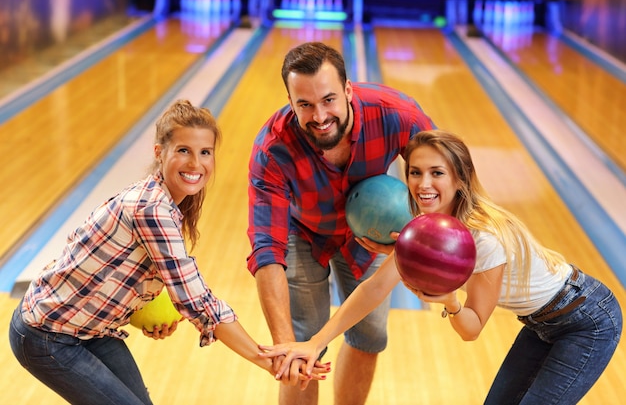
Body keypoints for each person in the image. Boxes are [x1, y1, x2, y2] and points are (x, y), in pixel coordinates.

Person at [260, 129, 623, 404]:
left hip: (585, 320)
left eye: (437, 173)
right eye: (415, 173)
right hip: (541, 323)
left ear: (460, 179)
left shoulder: (484, 238)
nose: (423, 183)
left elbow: (471, 329)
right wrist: (314, 343)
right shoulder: (425, 227)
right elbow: (373, 289)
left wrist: (450, 299)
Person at [8, 99, 327, 405]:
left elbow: (122, 271)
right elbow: (197, 300)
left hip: (90, 329)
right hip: (48, 334)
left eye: (205, 152)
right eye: (184, 151)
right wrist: (267, 359)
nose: (196, 163)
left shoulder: (168, 203)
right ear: (160, 153)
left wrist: (143, 310)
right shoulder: (152, 209)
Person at [246, 41, 436, 405]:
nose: (319, 116)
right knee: (302, 344)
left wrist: (415, 239)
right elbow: (266, 249)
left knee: (370, 336)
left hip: (370, 231)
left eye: (329, 100)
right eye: (304, 104)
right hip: (301, 233)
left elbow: (444, 181)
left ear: (348, 90)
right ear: (290, 100)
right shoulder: (272, 149)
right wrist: (286, 346)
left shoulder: (396, 114)